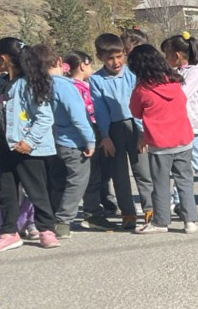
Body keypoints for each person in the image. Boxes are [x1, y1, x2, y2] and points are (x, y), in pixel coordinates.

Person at [0, 38, 60, 252]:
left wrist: (29, 141)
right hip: (5, 148)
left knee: (37, 191)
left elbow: (45, 117)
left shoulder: (27, 83)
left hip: (28, 148)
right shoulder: (1, 84)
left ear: (4, 58)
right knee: (7, 192)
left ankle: (46, 230)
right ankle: (9, 232)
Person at [127, 44, 197, 234]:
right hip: (183, 139)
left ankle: (161, 221)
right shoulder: (175, 81)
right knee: (185, 181)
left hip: (160, 144)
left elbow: (134, 111)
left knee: (160, 184)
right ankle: (190, 220)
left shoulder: (143, 89)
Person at [89, 33, 152, 230]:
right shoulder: (96, 80)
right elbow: (100, 111)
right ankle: (128, 213)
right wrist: (105, 136)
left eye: (119, 56)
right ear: (101, 58)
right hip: (113, 130)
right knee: (119, 174)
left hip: (136, 127)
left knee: (142, 170)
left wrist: (143, 132)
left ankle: (150, 209)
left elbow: (142, 104)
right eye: (110, 58)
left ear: (124, 53)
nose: (116, 62)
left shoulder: (133, 74)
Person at [161, 33, 198, 219]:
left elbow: (180, 95)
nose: (166, 59)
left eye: (167, 54)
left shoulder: (195, 72)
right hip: (177, 128)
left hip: (193, 128)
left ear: (176, 56)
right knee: (180, 168)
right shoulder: (177, 73)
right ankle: (179, 202)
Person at [46, 46, 97, 238]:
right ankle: (63, 221)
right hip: (72, 142)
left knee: (57, 182)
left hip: (53, 141)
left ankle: (51, 218)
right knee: (77, 181)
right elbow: (78, 116)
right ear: (60, 62)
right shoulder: (65, 86)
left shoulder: (40, 84)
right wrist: (90, 140)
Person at [67, 50, 116, 226]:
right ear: (82, 65)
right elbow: (82, 114)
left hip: (92, 133)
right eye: (89, 64)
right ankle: (92, 211)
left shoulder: (83, 85)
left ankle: (99, 204)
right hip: (87, 135)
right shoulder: (74, 88)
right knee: (91, 175)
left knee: (100, 172)